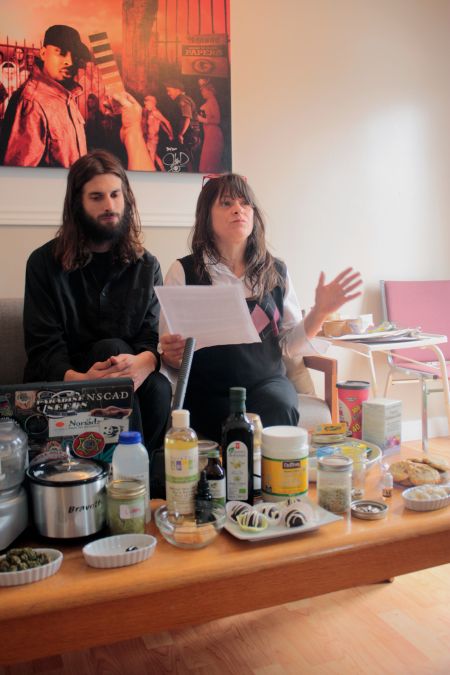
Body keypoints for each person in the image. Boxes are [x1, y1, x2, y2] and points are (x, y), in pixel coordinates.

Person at [159, 173, 362, 442]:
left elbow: (289, 344)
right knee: (219, 420)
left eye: (245, 204)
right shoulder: (183, 271)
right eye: (226, 203)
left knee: (279, 405)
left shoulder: (276, 271)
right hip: (209, 387)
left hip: (266, 381)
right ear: (206, 217)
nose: (238, 210)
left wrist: (320, 312)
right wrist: (171, 354)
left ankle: (275, 481)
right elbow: (169, 351)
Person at [23, 149, 172, 454]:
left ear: (126, 198)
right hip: (64, 383)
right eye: (97, 197)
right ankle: (132, 478)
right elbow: (43, 347)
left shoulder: (147, 266)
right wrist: (81, 381)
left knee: (159, 388)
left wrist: (144, 363)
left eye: (116, 195)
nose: (109, 206)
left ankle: (143, 477)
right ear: (77, 204)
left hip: (132, 380)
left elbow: (152, 335)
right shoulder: (42, 264)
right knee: (110, 349)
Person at [0, 25, 153, 171]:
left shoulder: (66, 96)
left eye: (74, 54)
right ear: (43, 53)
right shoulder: (31, 102)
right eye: (60, 52)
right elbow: (20, 177)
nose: (69, 61)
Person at [165, 79, 201, 171]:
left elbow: (186, 118)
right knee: (186, 159)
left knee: (187, 159)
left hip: (189, 134)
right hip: (189, 134)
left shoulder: (182, 100)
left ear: (177, 90)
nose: (168, 93)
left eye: (169, 90)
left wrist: (181, 134)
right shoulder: (182, 99)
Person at [142, 94, 173, 171]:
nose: (145, 105)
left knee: (151, 160)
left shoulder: (156, 113)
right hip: (148, 138)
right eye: (145, 104)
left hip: (153, 139)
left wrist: (171, 134)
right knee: (155, 156)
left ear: (152, 103)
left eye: (147, 103)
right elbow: (162, 125)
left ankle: (152, 174)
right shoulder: (150, 113)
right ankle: (163, 171)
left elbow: (167, 122)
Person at [197, 83, 224, 173]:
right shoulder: (210, 102)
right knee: (208, 160)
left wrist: (201, 119)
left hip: (213, 133)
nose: (202, 93)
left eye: (203, 91)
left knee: (210, 160)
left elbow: (217, 120)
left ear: (210, 91)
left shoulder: (212, 101)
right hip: (209, 132)